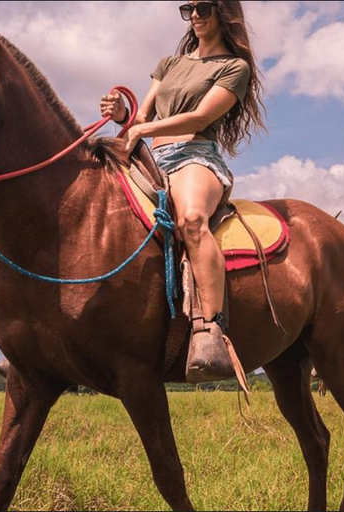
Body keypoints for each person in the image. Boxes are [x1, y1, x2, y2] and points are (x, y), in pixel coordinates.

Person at [99, 0, 266, 382]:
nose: (194, 15)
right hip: (151, 157)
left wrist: (141, 130)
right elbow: (142, 119)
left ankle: (211, 329)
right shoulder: (170, 63)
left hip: (195, 155)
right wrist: (124, 117)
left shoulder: (233, 67)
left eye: (203, 7)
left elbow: (203, 117)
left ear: (223, 12)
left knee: (192, 220)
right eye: (187, 8)